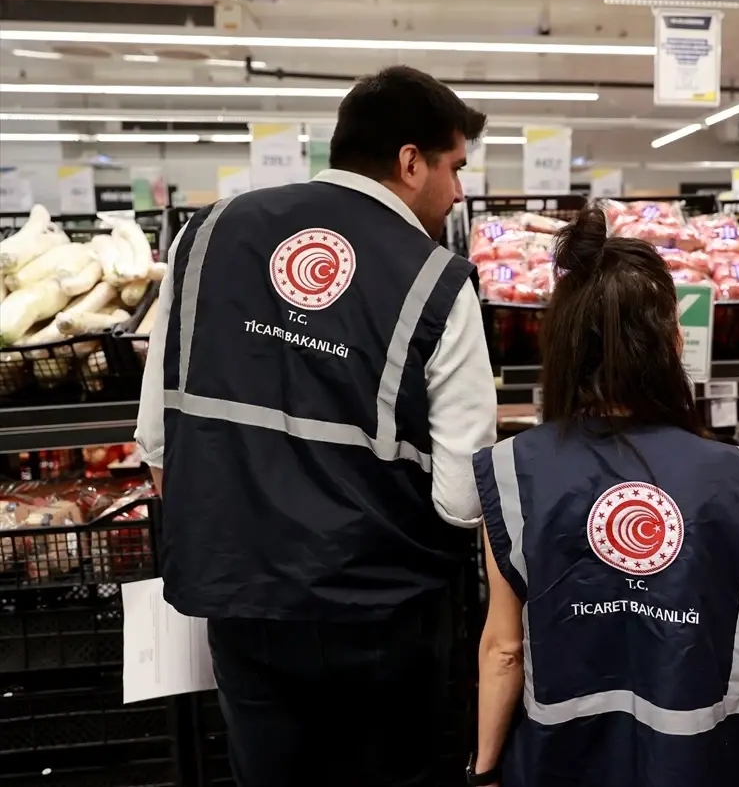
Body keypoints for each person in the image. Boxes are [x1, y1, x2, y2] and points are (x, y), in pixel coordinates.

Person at [134, 65, 498, 787]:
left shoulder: (206, 236)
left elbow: (157, 438)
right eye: (455, 168)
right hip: (383, 612)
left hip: (242, 596)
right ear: (410, 161)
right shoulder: (437, 281)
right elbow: (463, 498)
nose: (458, 192)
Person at [468, 204, 739, 787]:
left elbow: (504, 649)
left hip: (559, 763)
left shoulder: (514, 471)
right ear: (670, 343)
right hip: (698, 763)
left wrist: (483, 771)